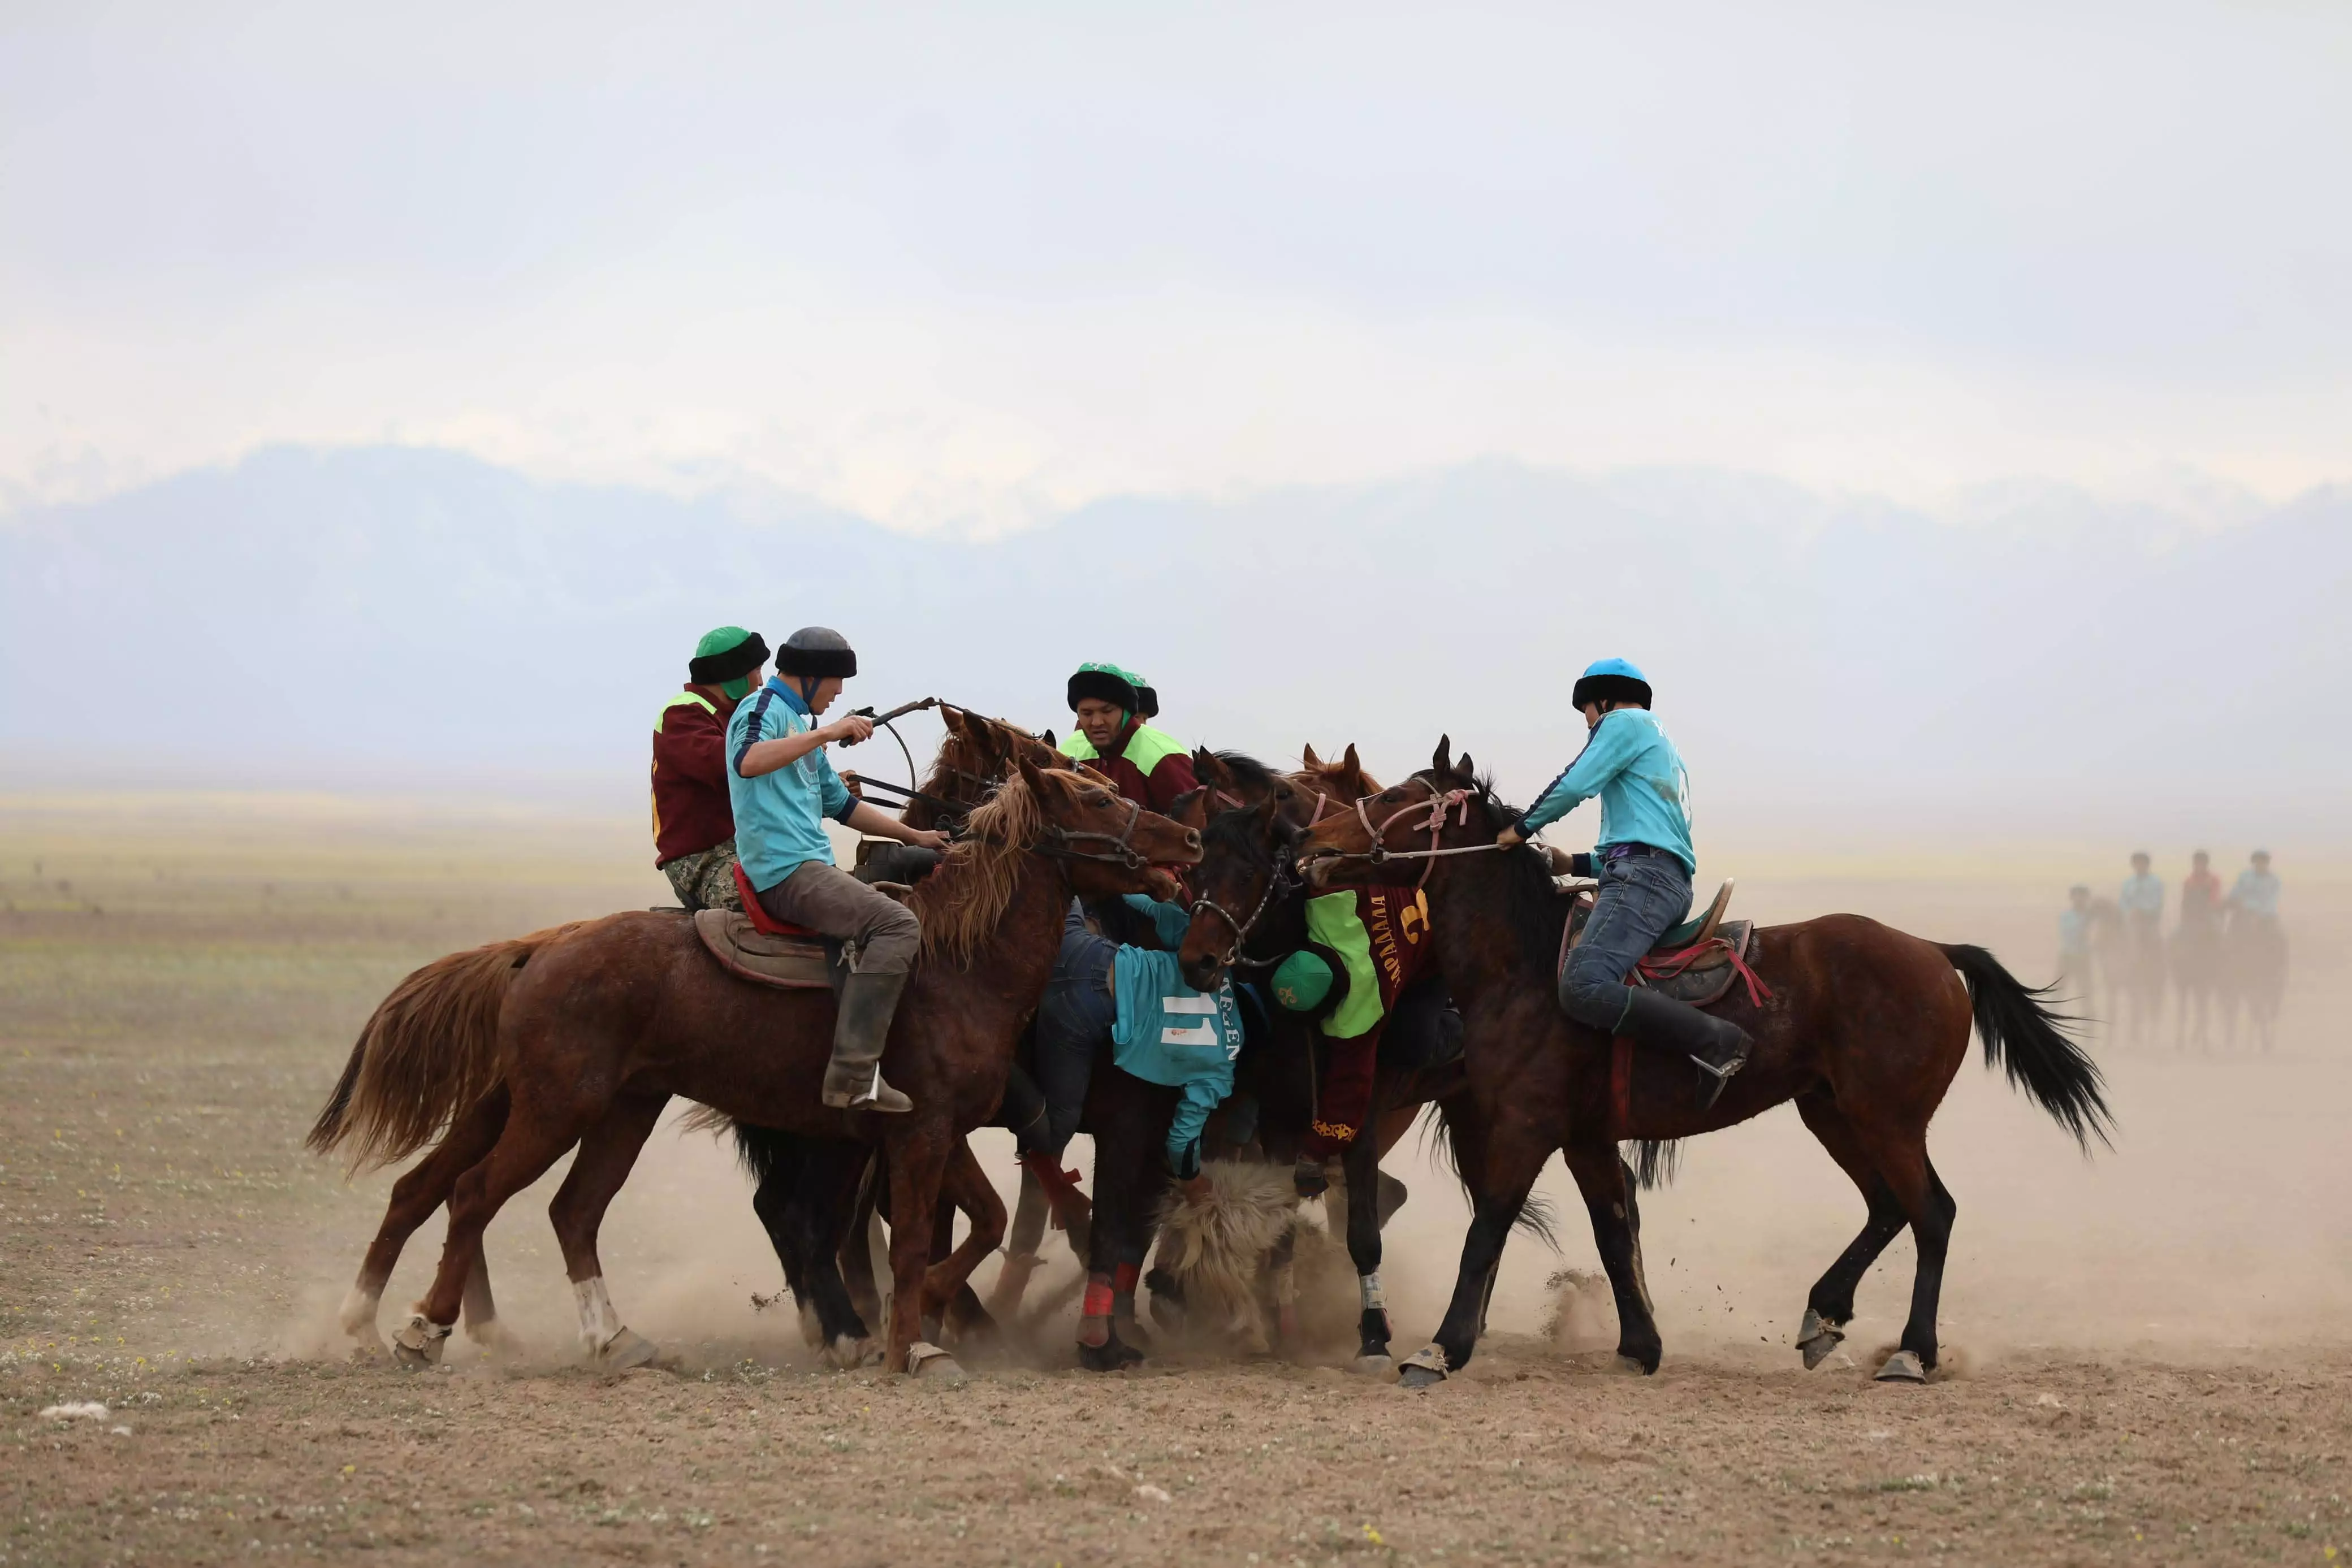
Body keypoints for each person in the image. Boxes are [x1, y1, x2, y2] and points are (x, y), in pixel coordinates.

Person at [1495, 657, 1749, 1108]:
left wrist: (1521, 829)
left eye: (1587, 711)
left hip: (1643, 882)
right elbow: (1641, 842)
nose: (1589, 723)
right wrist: (1569, 861)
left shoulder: (1624, 722)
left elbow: (1574, 784)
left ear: (1604, 700)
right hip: (1658, 879)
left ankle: (1718, 1041)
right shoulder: (1659, 743)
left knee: (1582, 986)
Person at [727, 626, 950, 1112]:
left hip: (811, 866)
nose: (839, 693)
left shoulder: (800, 725)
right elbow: (746, 761)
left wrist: (915, 837)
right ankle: (852, 1075)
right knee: (896, 924)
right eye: (834, 681)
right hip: (785, 871)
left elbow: (841, 805)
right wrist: (827, 733)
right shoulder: (762, 710)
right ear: (809, 677)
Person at [1027, 889, 1244, 1350]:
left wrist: (1135, 886)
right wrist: (1190, 1182)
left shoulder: (1218, 975)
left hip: (1081, 947)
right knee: (1054, 1127)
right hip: (1086, 1010)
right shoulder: (1221, 1067)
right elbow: (1181, 1142)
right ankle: (1099, 1313)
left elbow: (1161, 914)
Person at [651, 627, 770, 912]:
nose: (761, 681)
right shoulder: (683, 713)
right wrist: (794, 748)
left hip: (741, 850)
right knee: (799, 901)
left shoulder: (732, 717)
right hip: (702, 860)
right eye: (756, 670)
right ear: (735, 675)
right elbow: (730, 766)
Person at [1057, 662, 1199, 815]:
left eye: (1107, 711)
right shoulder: (1066, 755)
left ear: (1127, 712)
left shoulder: (1163, 756)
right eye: (1087, 713)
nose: (1097, 722)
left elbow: (1197, 825)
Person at [2056, 884, 2096, 1003]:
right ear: (2072, 898)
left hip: (2083, 956)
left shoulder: (2091, 917)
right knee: (2059, 987)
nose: (2079, 899)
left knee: (2086, 990)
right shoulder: (2066, 916)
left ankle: (2089, 1018)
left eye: (2082, 896)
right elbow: (2067, 934)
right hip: (2067, 955)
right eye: (2077, 896)